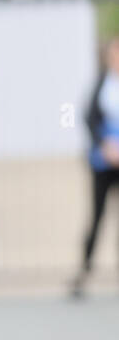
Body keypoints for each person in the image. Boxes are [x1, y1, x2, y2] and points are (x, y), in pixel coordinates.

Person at [75, 37, 119, 297]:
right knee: (97, 216)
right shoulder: (102, 84)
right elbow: (89, 117)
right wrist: (105, 145)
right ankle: (85, 270)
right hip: (104, 161)